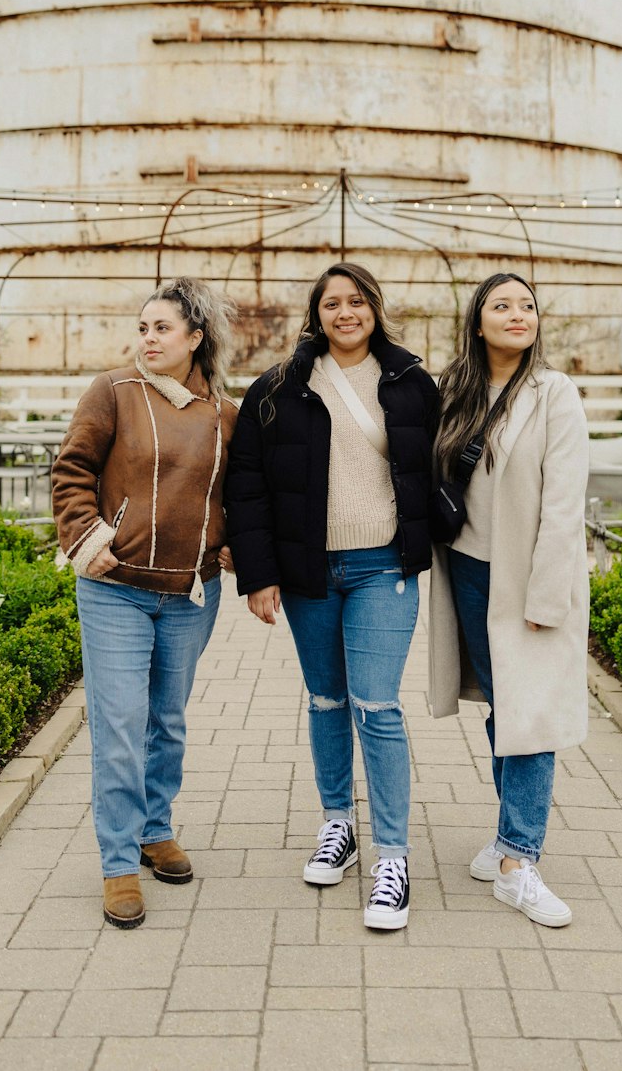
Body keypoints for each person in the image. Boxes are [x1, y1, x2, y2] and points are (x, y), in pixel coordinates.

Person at [226, 263, 439, 930]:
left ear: (375, 307)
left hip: (384, 568)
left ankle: (393, 859)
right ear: (316, 315)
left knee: (376, 704)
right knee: (326, 698)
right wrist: (258, 574)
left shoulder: (411, 383)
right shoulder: (278, 388)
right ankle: (338, 824)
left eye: (357, 301)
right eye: (332, 303)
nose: (346, 312)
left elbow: (442, 463)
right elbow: (248, 484)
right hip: (307, 571)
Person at [52, 278, 238, 929]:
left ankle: (155, 828)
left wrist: (233, 545)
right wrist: (83, 537)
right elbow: (70, 469)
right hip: (114, 589)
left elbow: (232, 494)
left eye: (163, 328)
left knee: (168, 719)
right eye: (144, 327)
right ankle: (118, 864)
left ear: (196, 338)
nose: (148, 339)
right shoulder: (113, 392)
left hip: (190, 595)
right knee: (121, 721)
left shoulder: (224, 414)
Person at [428, 271, 589, 928]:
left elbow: (564, 503)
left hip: (529, 580)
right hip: (468, 571)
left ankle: (519, 860)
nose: (517, 314)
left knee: (532, 714)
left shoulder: (554, 392)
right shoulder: (455, 391)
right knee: (504, 709)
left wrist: (546, 596)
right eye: (502, 304)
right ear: (478, 320)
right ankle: (505, 838)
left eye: (527, 305)